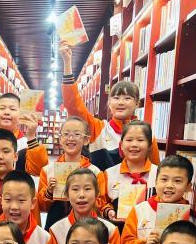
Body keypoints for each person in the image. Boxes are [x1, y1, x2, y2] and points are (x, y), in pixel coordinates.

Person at [60, 42, 160, 171]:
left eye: (127, 98)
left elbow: (155, 171)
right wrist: (67, 63)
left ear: (137, 103)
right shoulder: (98, 128)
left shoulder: (147, 134)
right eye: (116, 98)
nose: (121, 102)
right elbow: (73, 105)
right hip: (101, 184)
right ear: (109, 103)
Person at [120, 154, 193, 244]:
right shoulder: (140, 210)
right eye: (164, 179)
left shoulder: (191, 219)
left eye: (177, 181)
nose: (169, 186)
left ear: (188, 186)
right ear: (155, 181)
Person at [44, 168, 122, 244]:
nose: (81, 195)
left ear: (97, 193)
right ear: (66, 194)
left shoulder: (110, 229)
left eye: (87, 189)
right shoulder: (56, 230)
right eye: (75, 189)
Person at [37, 116, 106, 229]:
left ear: (86, 140)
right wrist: (49, 192)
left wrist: (86, 197)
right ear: (60, 138)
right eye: (66, 134)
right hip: (55, 225)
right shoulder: (47, 170)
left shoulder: (95, 172)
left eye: (77, 134)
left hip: (86, 226)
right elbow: (41, 207)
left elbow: (101, 204)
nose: (70, 138)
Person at [100, 121, 159, 224]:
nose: (134, 144)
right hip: (118, 229)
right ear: (121, 145)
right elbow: (101, 203)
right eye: (129, 140)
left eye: (140, 140)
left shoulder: (159, 174)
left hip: (150, 231)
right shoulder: (109, 174)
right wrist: (108, 211)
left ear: (150, 145)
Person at [0, 93, 48, 176]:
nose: (6, 112)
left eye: (12, 109)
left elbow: (38, 171)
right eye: (2, 108)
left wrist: (31, 136)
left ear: (21, 114)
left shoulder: (28, 144)